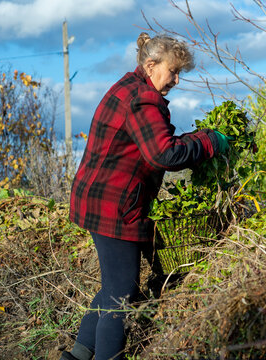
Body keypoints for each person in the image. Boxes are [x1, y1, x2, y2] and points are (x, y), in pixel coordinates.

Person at [62, 32, 230, 360]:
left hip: (98, 199)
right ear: (151, 65)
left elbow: (153, 144)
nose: (177, 80)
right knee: (121, 295)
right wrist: (209, 142)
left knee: (112, 287)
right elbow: (164, 154)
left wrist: (195, 138)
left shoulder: (128, 86)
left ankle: (77, 356)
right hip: (115, 206)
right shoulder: (143, 99)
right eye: (173, 71)